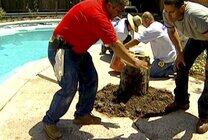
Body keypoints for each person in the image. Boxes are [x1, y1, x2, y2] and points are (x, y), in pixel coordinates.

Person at [42, 0, 148, 139]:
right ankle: (49, 121)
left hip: (77, 50)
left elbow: (114, 40)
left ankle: (82, 115)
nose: (120, 14)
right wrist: (134, 61)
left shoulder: (103, 9)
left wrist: (127, 56)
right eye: (118, 10)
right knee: (69, 87)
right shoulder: (98, 14)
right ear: (110, 5)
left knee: (91, 78)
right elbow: (115, 44)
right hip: (62, 49)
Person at [163, 0, 208, 134]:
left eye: (172, 12)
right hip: (198, 35)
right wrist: (179, 53)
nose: (168, 16)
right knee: (181, 64)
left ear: (182, 7)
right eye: (167, 11)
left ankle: (205, 116)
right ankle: (181, 101)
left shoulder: (194, 15)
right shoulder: (167, 13)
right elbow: (171, 31)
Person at [124, 11, 176, 78]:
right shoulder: (158, 24)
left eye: (143, 23)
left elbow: (136, 41)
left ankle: (173, 70)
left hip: (165, 59)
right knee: (150, 67)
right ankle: (171, 66)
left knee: (151, 73)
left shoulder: (151, 30)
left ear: (147, 20)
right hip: (171, 55)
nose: (143, 25)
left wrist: (123, 47)